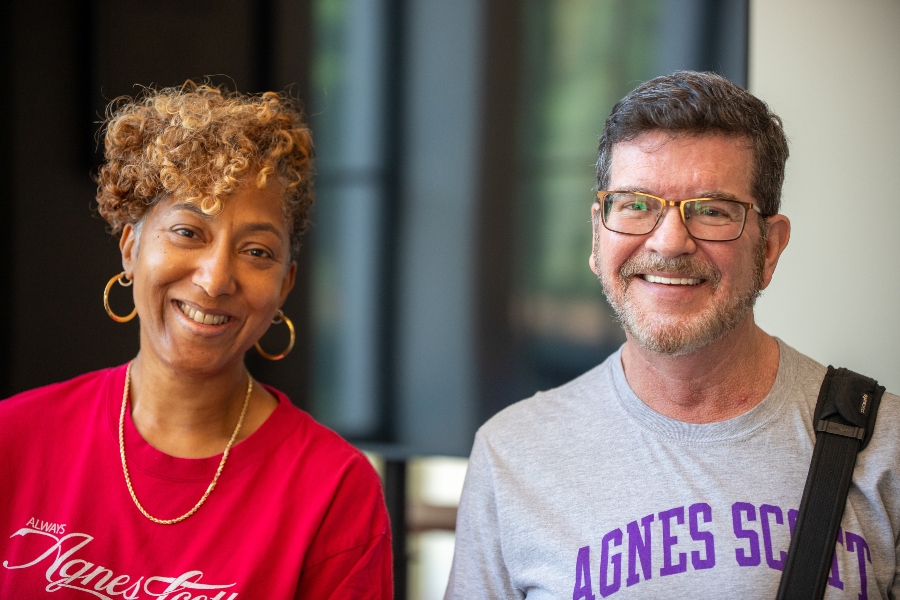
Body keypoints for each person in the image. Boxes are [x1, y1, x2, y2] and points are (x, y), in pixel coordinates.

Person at [446, 71, 899, 599]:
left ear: (770, 248)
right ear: (598, 233)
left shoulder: (887, 447)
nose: (668, 243)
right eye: (636, 204)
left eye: (711, 210)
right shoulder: (513, 455)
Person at [0, 82, 392, 598]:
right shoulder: (14, 439)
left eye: (257, 252)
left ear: (285, 285)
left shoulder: (333, 489)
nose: (215, 279)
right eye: (188, 232)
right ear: (131, 248)